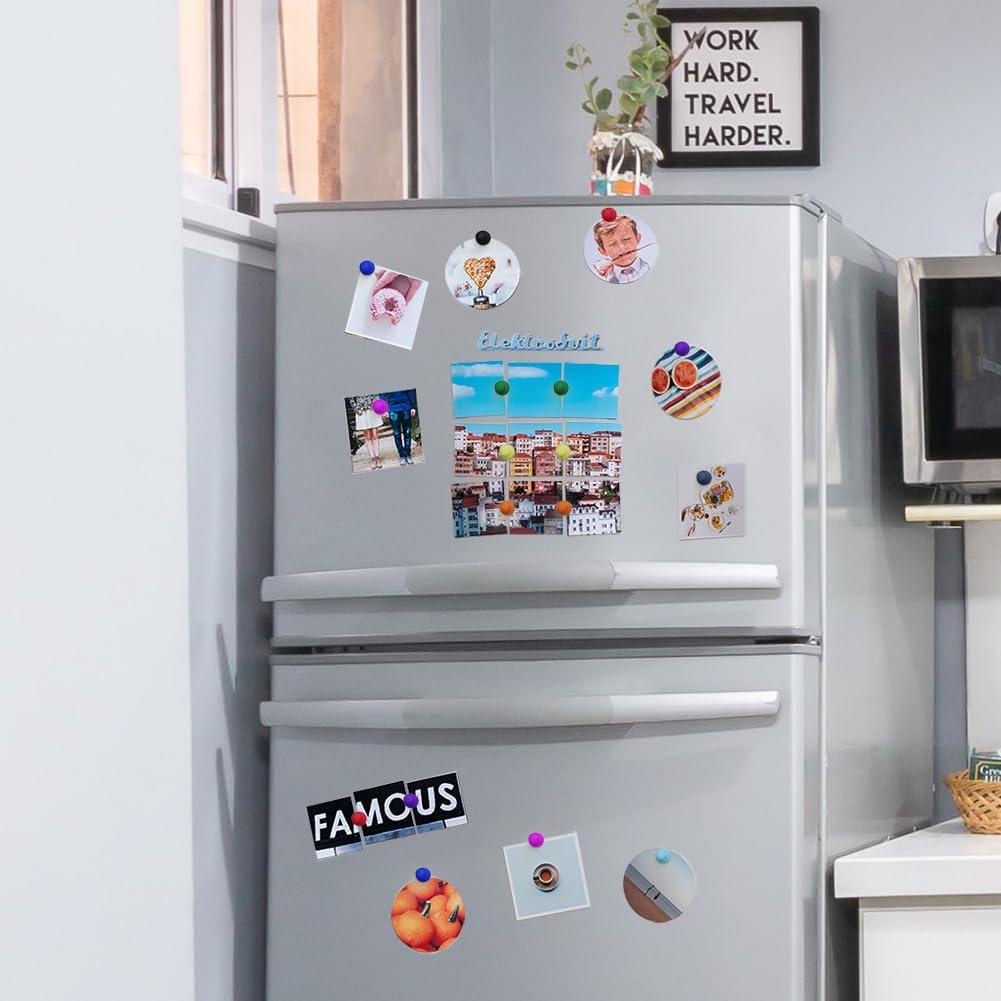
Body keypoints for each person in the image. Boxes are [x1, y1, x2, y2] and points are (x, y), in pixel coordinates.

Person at [591, 215, 650, 284]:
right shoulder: (600, 276)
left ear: (638, 238)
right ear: (602, 251)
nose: (622, 247)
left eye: (626, 238)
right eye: (612, 244)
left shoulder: (650, 268)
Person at [349, 394, 385, 470]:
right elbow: (351, 398)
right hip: (361, 411)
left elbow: (376, 395)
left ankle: (377, 457)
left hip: (372, 409)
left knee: (375, 435)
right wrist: (356, 409)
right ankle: (373, 458)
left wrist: (378, 405)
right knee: (368, 436)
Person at [384, 389, 417, 465]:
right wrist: (384, 409)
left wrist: (413, 406)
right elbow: (382, 394)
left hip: (406, 408)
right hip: (393, 409)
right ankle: (402, 455)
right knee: (397, 434)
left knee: (407, 433)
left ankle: (408, 455)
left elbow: (410, 390)